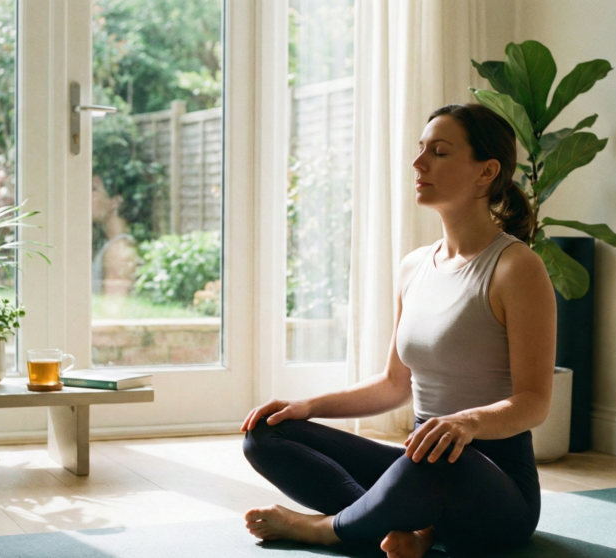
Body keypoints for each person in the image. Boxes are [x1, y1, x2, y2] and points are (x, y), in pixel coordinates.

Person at [239, 103, 557, 558]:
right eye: (421, 148)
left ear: (486, 172)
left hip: (490, 482)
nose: (418, 162)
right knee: (267, 433)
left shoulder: (516, 268)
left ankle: (326, 529)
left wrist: (465, 423)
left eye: (440, 152)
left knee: (438, 461)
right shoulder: (414, 266)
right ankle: (406, 526)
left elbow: (534, 402)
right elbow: (394, 384)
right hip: (418, 461)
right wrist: (307, 406)